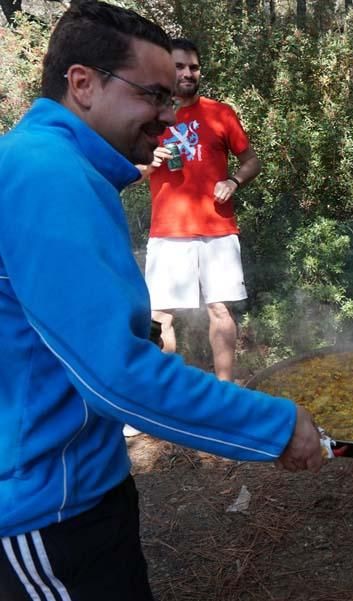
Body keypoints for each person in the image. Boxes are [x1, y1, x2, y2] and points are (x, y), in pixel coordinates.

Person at [0, 3, 324, 600]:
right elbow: (115, 375)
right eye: (153, 94)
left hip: (80, 484)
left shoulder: (63, 165)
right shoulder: (46, 174)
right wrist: (275, 425)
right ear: (83, 84)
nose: (168, 117)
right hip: (45, 507)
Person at [139, 37, 260, 381]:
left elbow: (251, 161)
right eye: (179, 66)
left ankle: (224, 391)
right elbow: (129, 174)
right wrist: (149, 163)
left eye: (193, 67)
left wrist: (234, 181)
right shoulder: (150, 116)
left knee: (220, 309)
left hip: (217, 229)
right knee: (159, 316)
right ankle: (164, 395)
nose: (188, 73)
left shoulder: (220, 113)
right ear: (166, 69)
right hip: (168, 231)